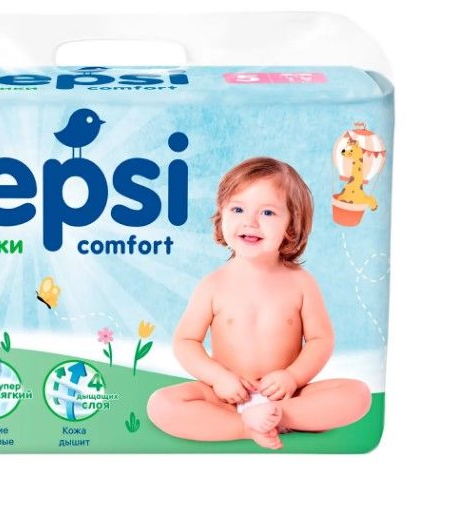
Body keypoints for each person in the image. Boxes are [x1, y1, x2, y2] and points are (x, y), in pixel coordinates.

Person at [147, 157, 371, 449]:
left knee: (357, 394)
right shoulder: (213, 285)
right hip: (228, 396)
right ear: (221, 216)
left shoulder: (301, 283)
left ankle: (278, 415)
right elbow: (186, 341)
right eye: (237, 209)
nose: (250, 222)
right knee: (161, 404)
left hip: (286, 396)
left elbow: (320, 340)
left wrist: (292, 377)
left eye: (267, 212)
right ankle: (246, 426)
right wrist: (219, 378)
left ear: (292, 225)